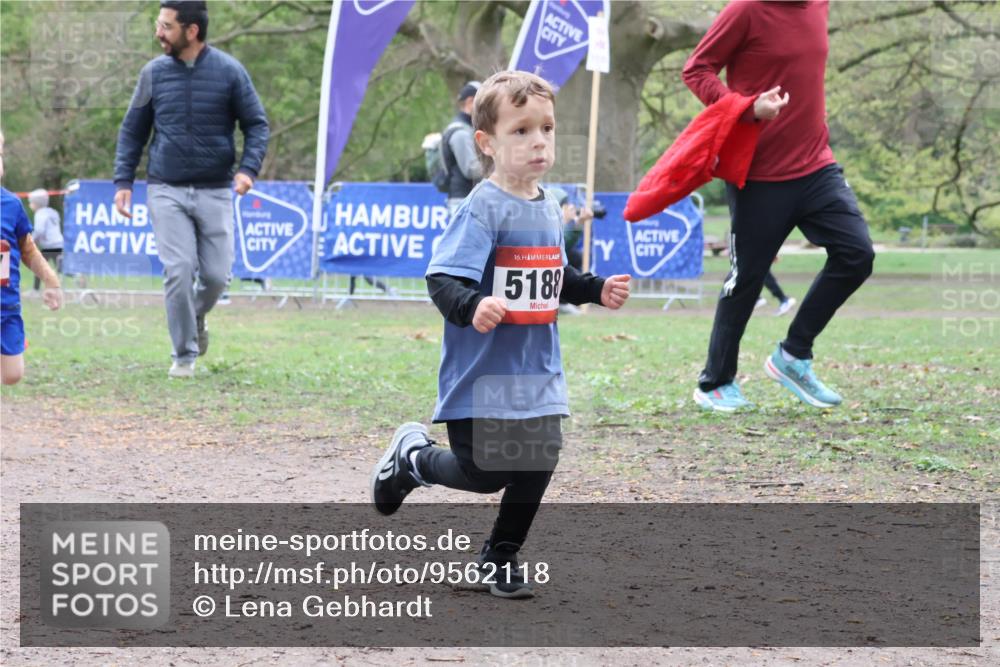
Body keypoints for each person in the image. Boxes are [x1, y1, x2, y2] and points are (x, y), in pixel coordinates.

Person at [370, 71, 631, 599]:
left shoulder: (548, 204)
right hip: (482, 372)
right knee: (485, 472)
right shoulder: (482, 206)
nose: (538, 141)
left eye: (547, 129)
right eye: (521, 130)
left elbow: (554, 274)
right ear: (486, 143)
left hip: (537, 368)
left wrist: (594, 288)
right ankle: (414, 459)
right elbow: (442, 279)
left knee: (540, 457)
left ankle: (499, 557)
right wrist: (474, 304)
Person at [683, 0, 874, 412]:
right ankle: (715, 382)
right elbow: (696, 70)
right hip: (759, 175)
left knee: (857, 254)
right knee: (746, 279)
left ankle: (793, 355)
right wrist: (744, 107)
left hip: (816, 164)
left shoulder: (819, 5)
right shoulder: (746, 10)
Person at [113, 0, 269, 378]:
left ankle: (194, 316)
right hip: (165, 188)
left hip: (216, 189)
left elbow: (256, 125)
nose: (158, 33)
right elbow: (133, 131)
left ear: (191, 30)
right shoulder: (152, 74)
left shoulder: (230, 71)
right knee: (179, 270)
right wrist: (123, 181)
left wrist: (248, 170)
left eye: (166, 26)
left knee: (216, 278)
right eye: (158, 24)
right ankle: (184, 356)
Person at [1, 131, 63, 385]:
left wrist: (51, 281)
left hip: (6, 305)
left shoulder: (11, 204)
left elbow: (27, 249)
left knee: (12, 374)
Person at [443, 81, 484, 215]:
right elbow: (471, 169)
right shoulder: (460, 133)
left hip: (468, 200)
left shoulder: (467, 129)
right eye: (483, 103)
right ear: (470, 101)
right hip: (463, 202)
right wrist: (499, 166)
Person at [27, 189, 63, 291]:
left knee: (38, 266)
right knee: (62, 267)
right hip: (59, 243)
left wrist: (31, 240)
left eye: (31, 202)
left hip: (48, 245)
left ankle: (35, 289)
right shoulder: (53, 212)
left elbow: (39, 230)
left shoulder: (40, 214)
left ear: (36, 204)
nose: (30, 205)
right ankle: (76, 275)